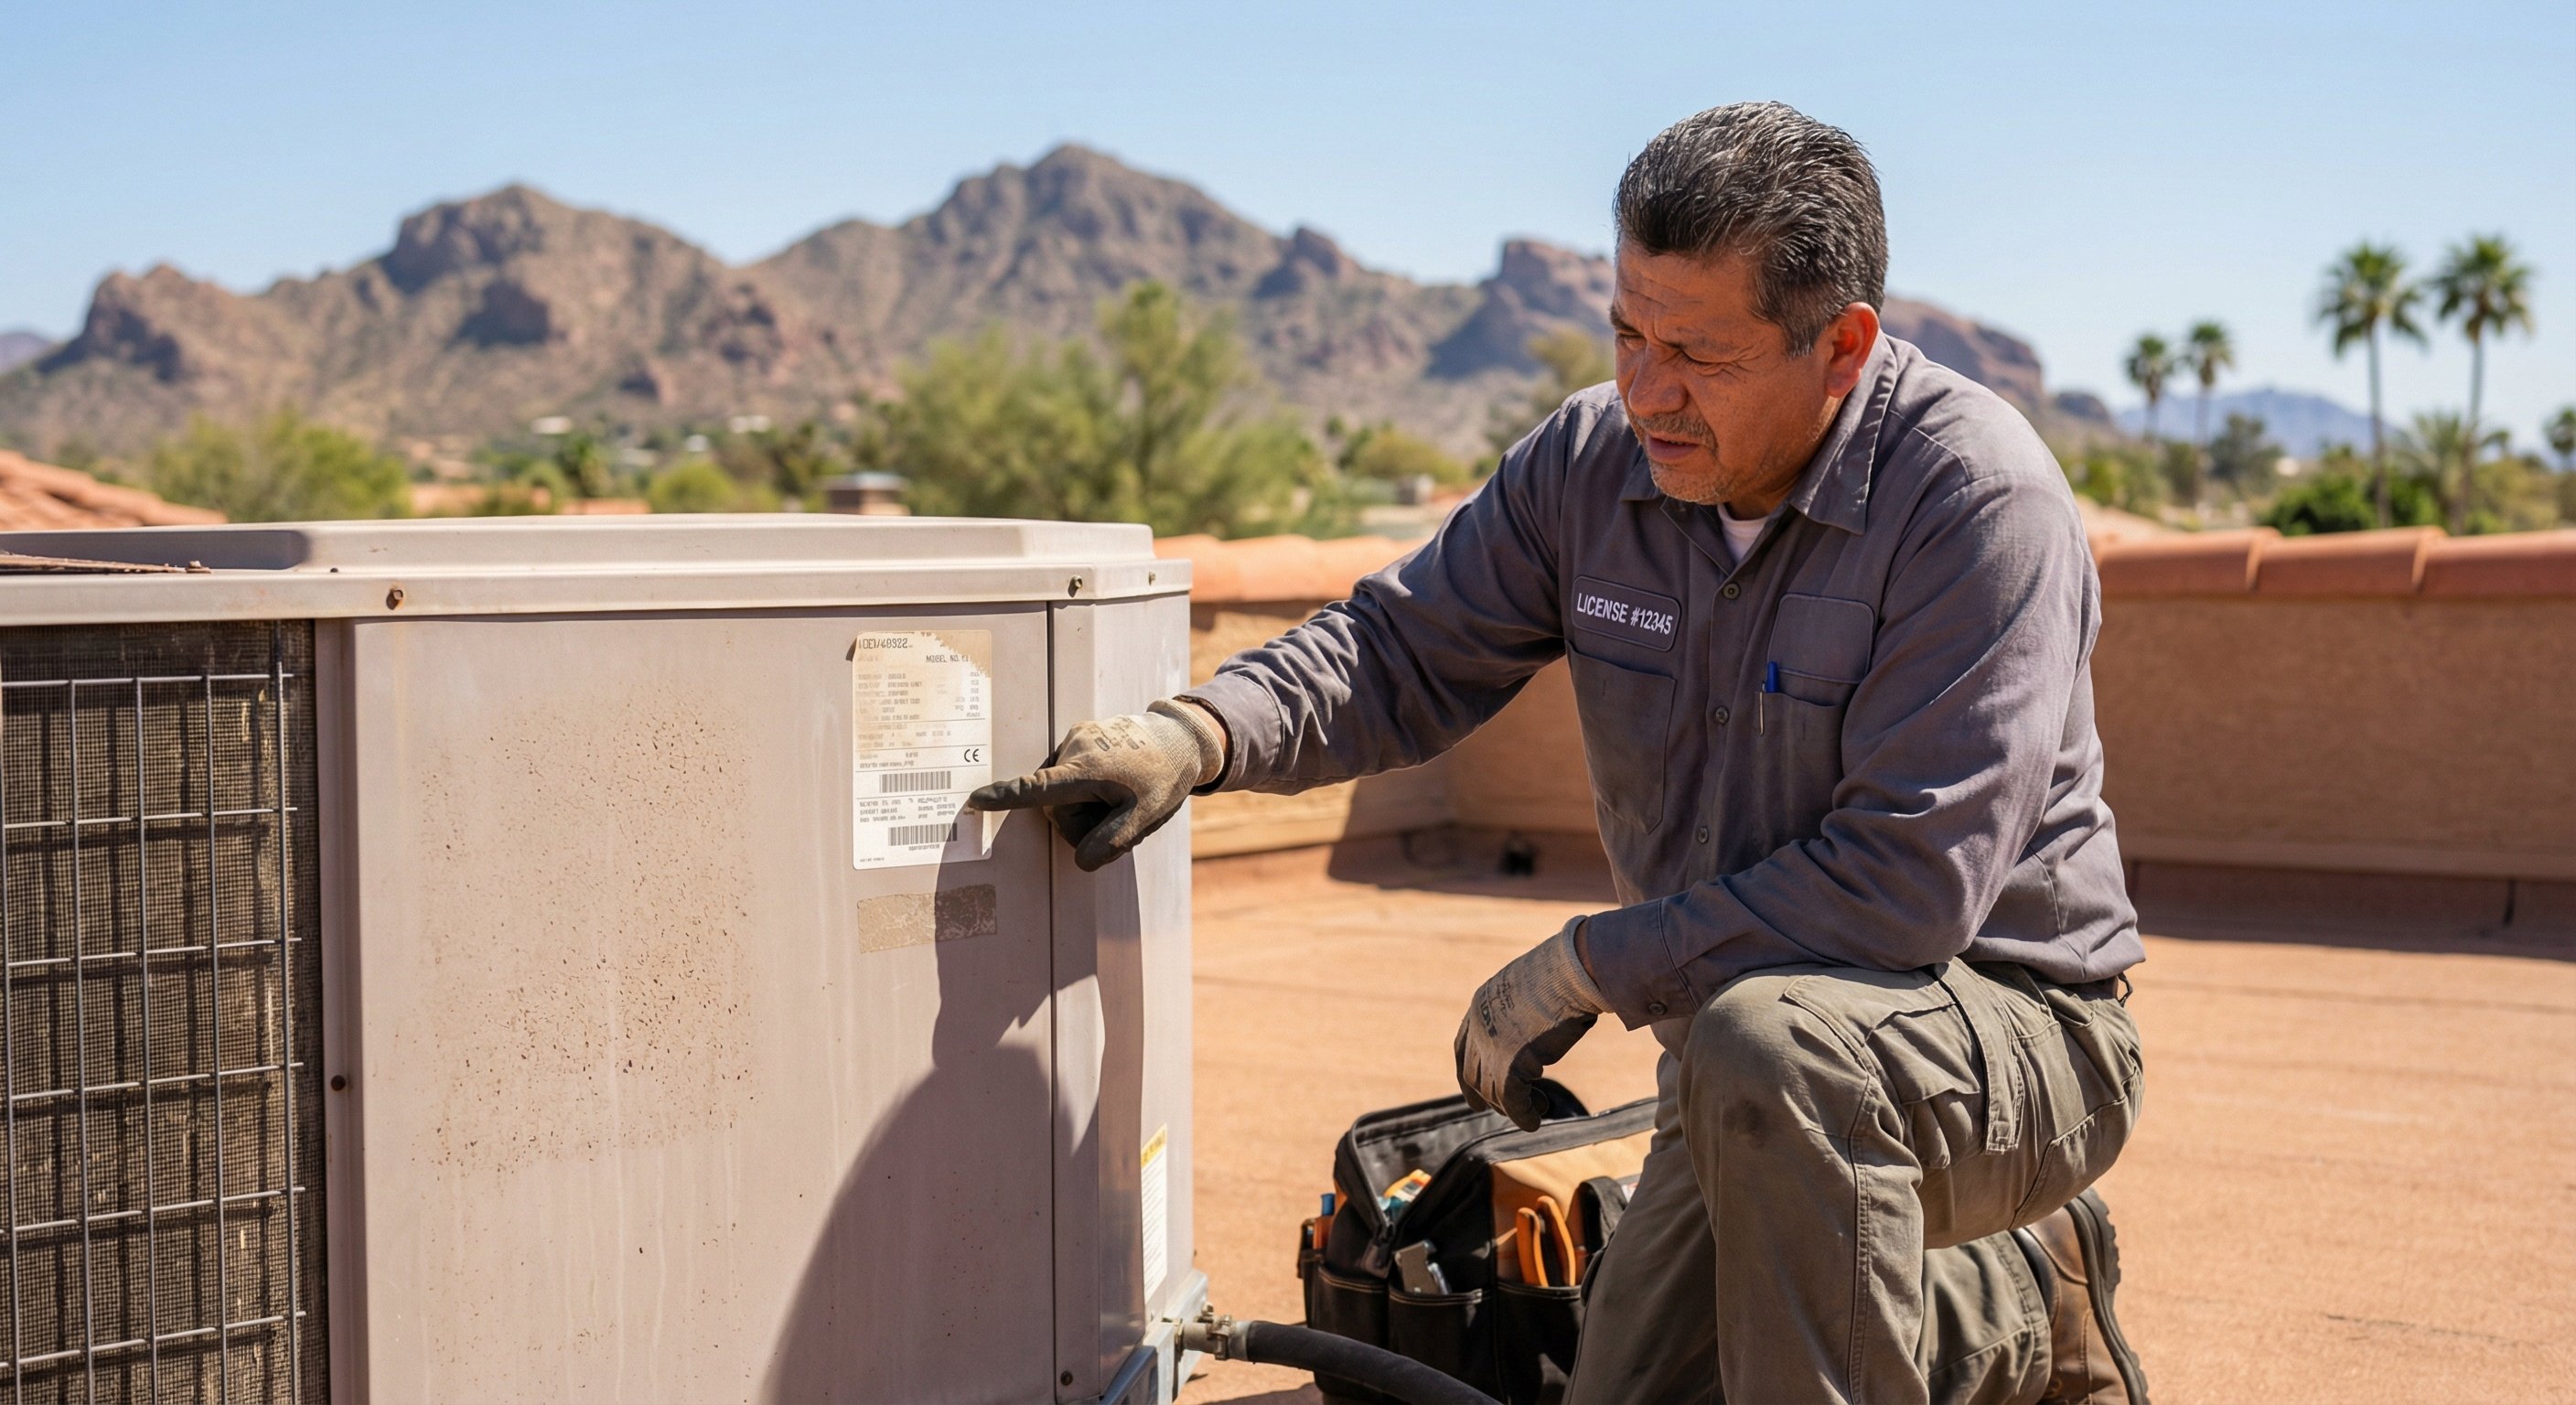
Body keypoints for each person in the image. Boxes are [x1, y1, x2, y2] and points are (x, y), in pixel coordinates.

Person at [972, 101, 2149, 1405]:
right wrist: (1192, 736)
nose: (1647, 391)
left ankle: (2018, 1265)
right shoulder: (1593, 468)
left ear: (1843, 348)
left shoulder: (1977, 502)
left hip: (2014, 1037)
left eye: (1698, 352)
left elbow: (1903, 893)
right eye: (1628, 334)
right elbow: (1398, 651)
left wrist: (1583, 966)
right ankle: (2019, 1299)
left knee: (1774, 1055)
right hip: (1748, 1063)